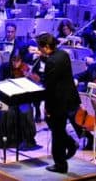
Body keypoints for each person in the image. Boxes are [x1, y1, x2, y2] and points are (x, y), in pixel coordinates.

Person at [34, 32, 79, 173]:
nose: (39, 50)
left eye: (40, 47)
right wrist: (45, 57)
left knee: (57, 134)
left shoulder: (51, 62)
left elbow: (50, 87)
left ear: (46, 46)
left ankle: (60, 164)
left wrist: (47, 107)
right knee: (57, 129)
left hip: (58, 102)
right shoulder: (63, 54)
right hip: (70, 99)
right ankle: (71, 143)